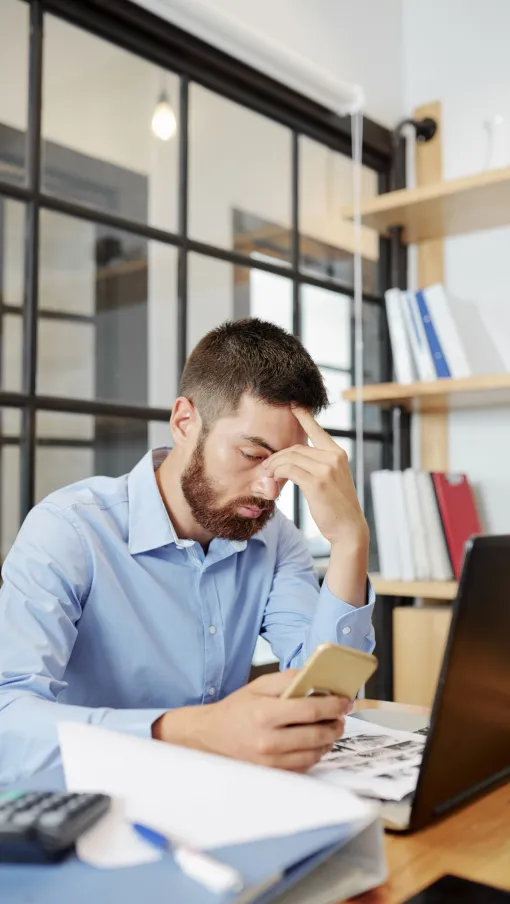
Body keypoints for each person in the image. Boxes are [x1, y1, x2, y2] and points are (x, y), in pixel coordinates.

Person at [0, 319, 375, 785]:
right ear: (184, 422)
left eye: (285, 465)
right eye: (254, 455)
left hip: (219, 799)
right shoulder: (70, 529)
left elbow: (323, 693)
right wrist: (194, 732)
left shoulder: (275, 537)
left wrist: (350, 540)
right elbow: (7, 718)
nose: (269, 488)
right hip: (92, 803)